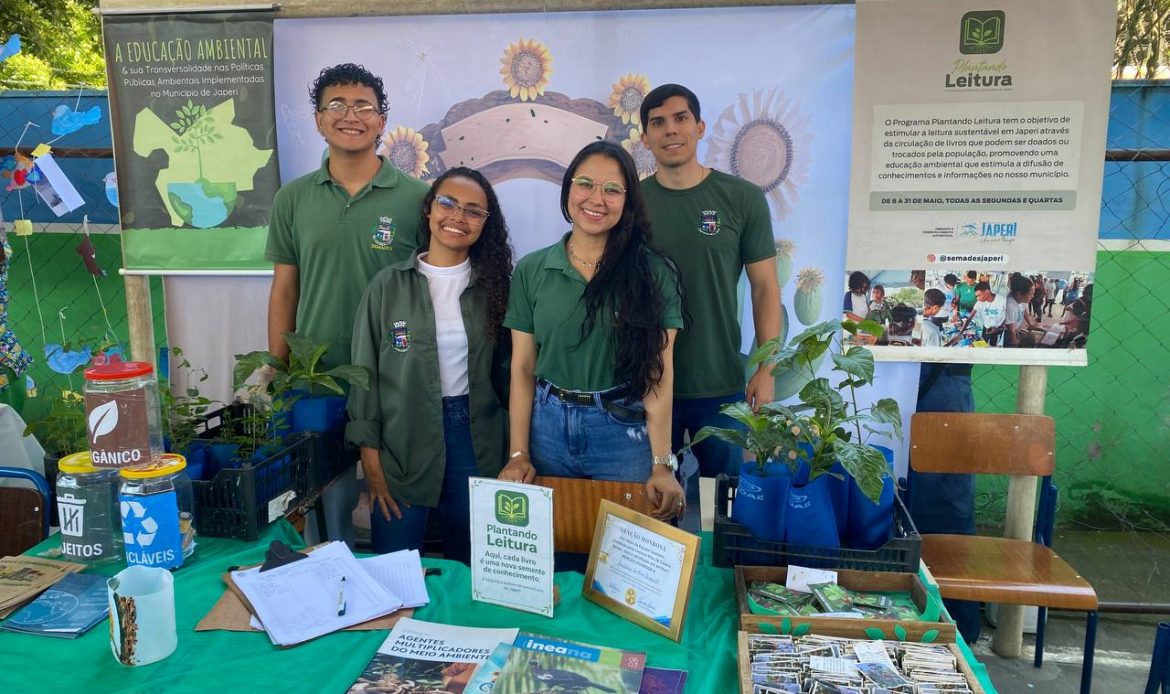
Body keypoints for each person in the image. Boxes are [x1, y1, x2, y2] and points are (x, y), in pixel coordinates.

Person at [265, 63, 430, 544]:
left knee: (394, 505)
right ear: (319, 120)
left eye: (364, 106)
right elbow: (285, 289)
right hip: (317, 377)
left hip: (394, 373)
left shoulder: (418, 199)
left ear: (382, 121)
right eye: (336, 105)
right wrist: (277, 367)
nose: (350, 116)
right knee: (325, 508)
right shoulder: (293, 199)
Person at [498, 141, 685, 523]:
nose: (597, 199)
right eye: (585, 184)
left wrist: (662, 464)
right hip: (547, 430)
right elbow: (523, 368)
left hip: (622, 432)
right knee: (557, 547)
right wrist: (519, 454)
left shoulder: (654, 272)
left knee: (623, 553)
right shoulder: (532, 270)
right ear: (568, 189)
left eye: (612, 189)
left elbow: (659, 373)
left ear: (627, 201)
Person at [347, 167, 512, 562]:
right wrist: (371, 458)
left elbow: (511, 376)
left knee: (473, 564)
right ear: (429, 208)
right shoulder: (387, 286)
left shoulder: (496, 289)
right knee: (394, 563)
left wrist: (517, 451)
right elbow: (364, 377)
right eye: (448, 203)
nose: (458, 217)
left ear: (485, 224)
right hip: (401, 437)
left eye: (473, 211)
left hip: (475, 437)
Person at [637, 84, 781, 513]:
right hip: (645, 384)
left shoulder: (741, 198)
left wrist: (766, 367)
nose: (670, 130)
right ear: (645, 138)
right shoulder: (630, 206)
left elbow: (765, 287)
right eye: (658, 123)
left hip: (719, 384)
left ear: (700, 127)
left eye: (680, 118)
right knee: (654, 513)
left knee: (724, 511)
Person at [955, 281, 1007, 347]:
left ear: (987, 292)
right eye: (976, 296)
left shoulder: (1002, 300)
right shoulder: (980, 302)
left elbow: (1009, 317)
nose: (977, 298)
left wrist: (999, 328)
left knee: (994, 347)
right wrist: (960, 333)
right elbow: (969, 318)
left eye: (979, 295)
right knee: (982, 344)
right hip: (986, 328)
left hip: (998, 330)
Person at [1004, 273, 1043, 347]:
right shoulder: (1010, 304)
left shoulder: (1023, 300)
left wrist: (1029, 323)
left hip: (1016, 329)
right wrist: (1014, 339)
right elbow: (1010, 326)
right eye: (1030, 294)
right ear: (1019, 294)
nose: (1033, 296)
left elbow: (1024, 310)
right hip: (1008, 332)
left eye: (1033, 293)